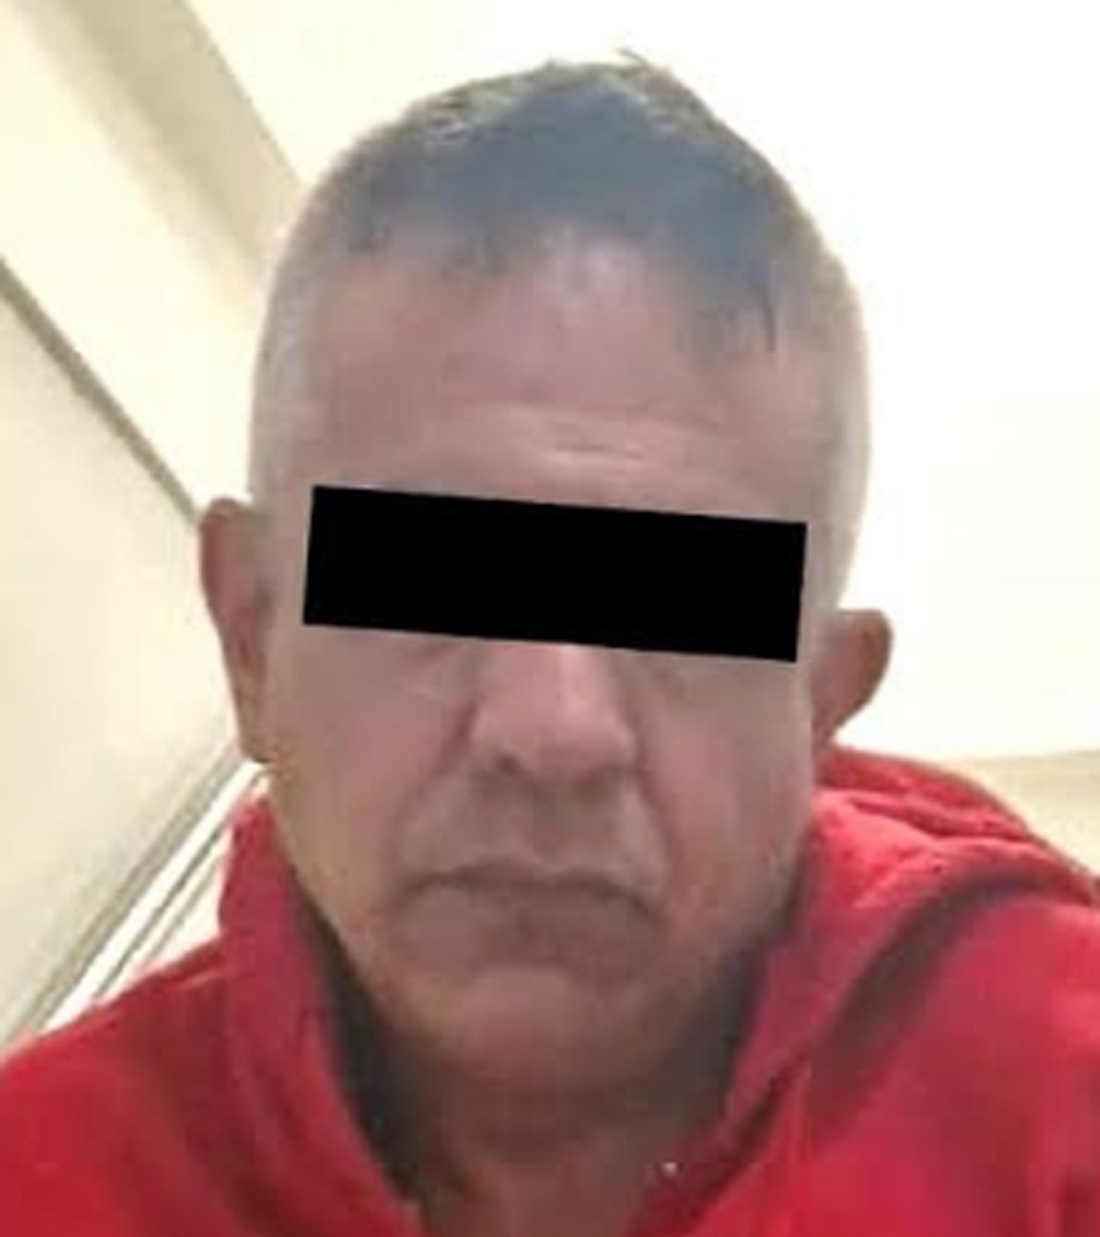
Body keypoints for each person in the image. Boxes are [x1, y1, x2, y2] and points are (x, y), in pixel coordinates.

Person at [2, 57, 1098, 1237]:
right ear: (251, 638)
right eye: (430, 577)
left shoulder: (1060, 1088)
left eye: (680, 597)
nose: (550, 727)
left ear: (817, 707)